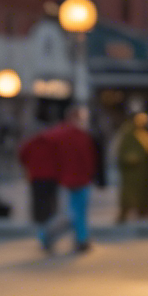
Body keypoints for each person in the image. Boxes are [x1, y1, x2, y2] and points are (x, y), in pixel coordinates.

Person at [44, 104, 97, 253]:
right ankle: (50, 236)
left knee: (76, 212)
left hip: (69, 178)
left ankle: (80, 239)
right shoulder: (76, 135)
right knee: (75, 213)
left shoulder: (60, 133)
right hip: (75, 178)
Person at [18, 122, 59, 254]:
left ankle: (43, 235)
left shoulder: (30, 143)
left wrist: (29, 166)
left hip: (37, 177)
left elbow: (21, 156)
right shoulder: (52, 143)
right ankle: (48, 234)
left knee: (40, 207)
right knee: (51, 206)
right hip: (51, 177)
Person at [115, 111, 148, 222]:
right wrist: (133, 158)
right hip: (132, 170)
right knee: (129, 193)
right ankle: (124, 213)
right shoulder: (128, 132)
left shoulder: (143, 133)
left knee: (142, 193)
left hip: (143, 170)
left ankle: (143, 211)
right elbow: (122, 151)